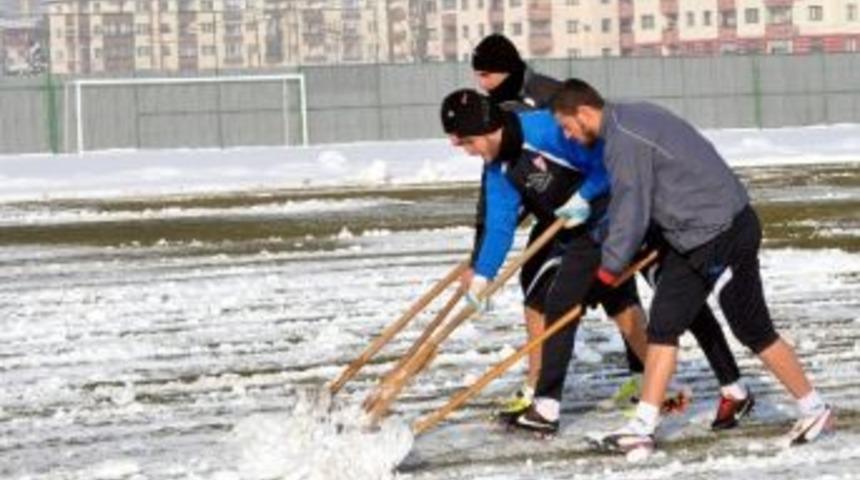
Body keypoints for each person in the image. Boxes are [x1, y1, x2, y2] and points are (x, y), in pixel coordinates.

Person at [441, 89, 750, 435]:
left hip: (630, 213)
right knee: (564, 301)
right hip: (586, 231)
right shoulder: (497, 165)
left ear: (486, 129)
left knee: (680, 298)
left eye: (467, 143)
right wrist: (483, 277)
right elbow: (500, 225)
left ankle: (732, 386)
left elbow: (610, 161)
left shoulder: (545, 130)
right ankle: (548, 406)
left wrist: (584, 194)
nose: (468, 152)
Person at [550, 78, 834, 452]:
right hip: (692, 236)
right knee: (664, 323)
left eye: (567, 126)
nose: (567, 136)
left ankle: (813, 408)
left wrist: (607, 272)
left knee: (753, 329)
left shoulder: (625, 138)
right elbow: (635, 200)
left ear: (583, 112)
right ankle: (642, 427)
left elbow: (632, 210)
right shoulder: (629, 118)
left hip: (722, 231)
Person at [468, 33, 650, 415]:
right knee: (535, 290)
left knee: (616, 294)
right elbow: (500, 184)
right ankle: (537, 384)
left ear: (506, 69)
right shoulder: (492, 110)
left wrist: (586, 196)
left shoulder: (547, 95)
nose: (480, 83)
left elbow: (592, 141)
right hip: (555, 215)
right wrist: (481, 264)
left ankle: (649, 378)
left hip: (596, 211)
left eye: (485, 74)